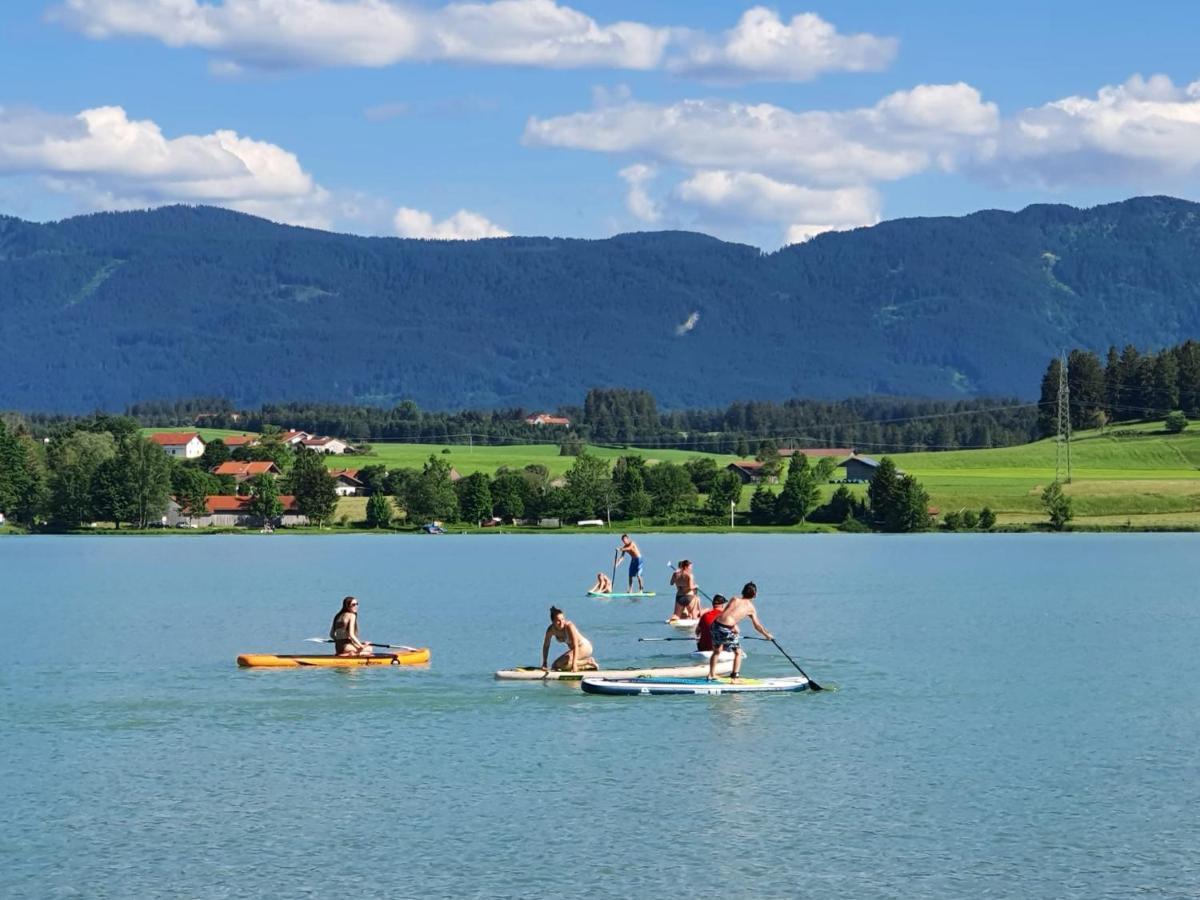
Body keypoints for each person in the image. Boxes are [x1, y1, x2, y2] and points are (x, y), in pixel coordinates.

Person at [708, 582, 772, 680]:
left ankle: (711, 674)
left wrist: (732, 626)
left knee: (717, 650)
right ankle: (735, 676)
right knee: (738, 652)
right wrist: (767, 635)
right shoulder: (751, 608)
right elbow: (757, 626)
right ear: (755, 595)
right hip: (726, 629)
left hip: (715, 625)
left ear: (743, 591)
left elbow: (727, 613)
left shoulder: (734, 599)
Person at [541, 606, 598, 673]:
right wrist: (544, 662)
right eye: (558, 621)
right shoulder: (551, 630)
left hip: (584, 647)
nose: (561, 622)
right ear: (553, 621)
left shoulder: (569, 626)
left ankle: (588, 661)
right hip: (575, 650)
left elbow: (576, 645)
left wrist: (574, 664)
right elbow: (546, 646)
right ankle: (586, 665)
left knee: (557, 664)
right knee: (556, 666)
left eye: (563, 619)